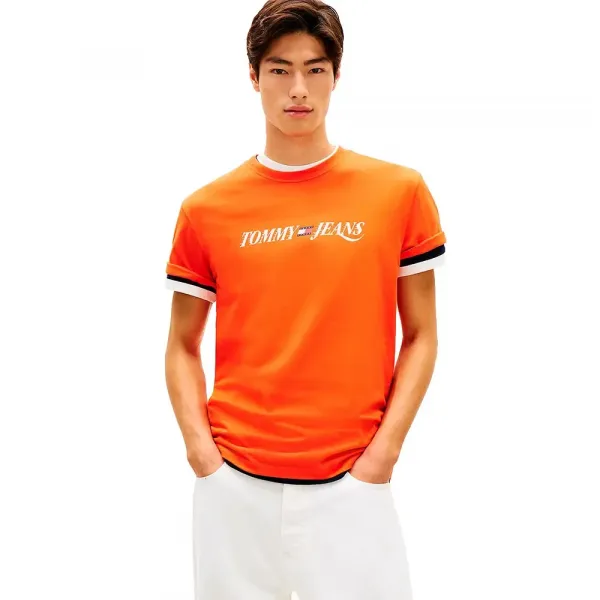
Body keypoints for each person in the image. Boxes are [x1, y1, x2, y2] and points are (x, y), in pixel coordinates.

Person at [164, 0, 446, 598]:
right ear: (254, 76)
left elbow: (422, 334)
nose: (298, 89)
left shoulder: (398, 192)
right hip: (234, 486)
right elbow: (183, 345)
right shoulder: (206, 209)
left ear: (336, 76)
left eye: (315, 69)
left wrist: (383, 456)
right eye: (280, 69)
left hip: (354, 483)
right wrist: (201, 455)